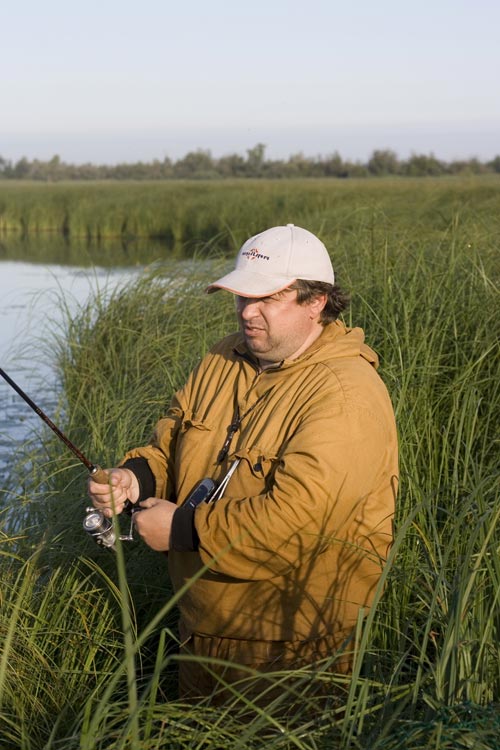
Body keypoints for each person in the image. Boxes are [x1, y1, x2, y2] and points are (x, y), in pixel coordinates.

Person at [88, 223, 398, 701]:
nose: (246, 313)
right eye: (239, 297)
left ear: (315, 301)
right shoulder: (224, 356)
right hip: (202, 624)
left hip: (294, 645)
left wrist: (182, 530)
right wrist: (133, 478)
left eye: (266, 299)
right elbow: (170, 443)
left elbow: (302, 523)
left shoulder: (345, 394)